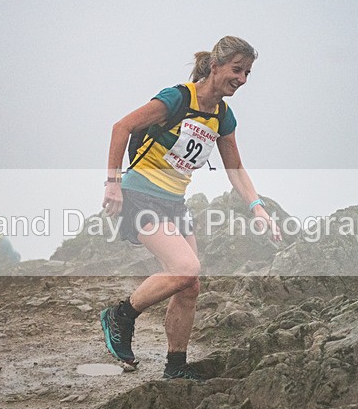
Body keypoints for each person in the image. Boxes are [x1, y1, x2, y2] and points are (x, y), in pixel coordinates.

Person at [101, 36, 281, 380]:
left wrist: (257, 207)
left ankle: (175, 367)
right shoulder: (177, 98)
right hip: (140, 194)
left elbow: (236, 168)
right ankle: (119, 315)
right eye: (236, 69)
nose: (242, 79)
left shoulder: (223, 116)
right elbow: (121, 127)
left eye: (247, 73)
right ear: (215, 67)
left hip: (174, 202)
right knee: (184, 267)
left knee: (190, 285)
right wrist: (112, 183)